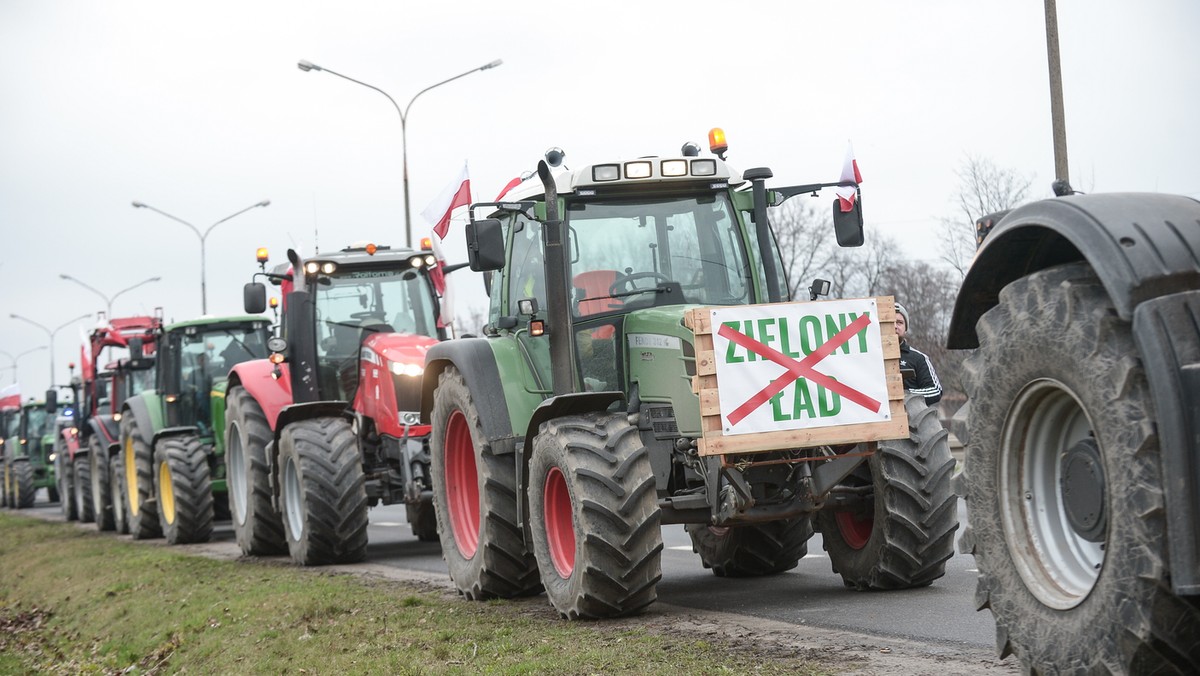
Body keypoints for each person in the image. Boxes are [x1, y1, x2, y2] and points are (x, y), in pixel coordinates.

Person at [895, 302, 942, 406]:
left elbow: (936, 391)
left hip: (913, 417)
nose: (895, 326)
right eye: (890, 323)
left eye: (899, 322)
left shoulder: (919, 358)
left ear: (906, 329)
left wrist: (906, 394)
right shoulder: (872, 358)